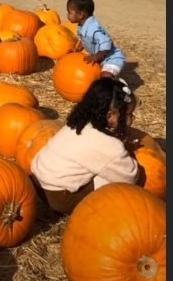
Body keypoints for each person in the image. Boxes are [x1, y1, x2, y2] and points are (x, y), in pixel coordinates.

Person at [31, 77, 140, 214]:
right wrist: (129, 153)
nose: (132, 119)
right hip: (61, 197)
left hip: (38, 183)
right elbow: (129, 176)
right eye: (129, 114)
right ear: (111, 116)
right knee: (113, 184)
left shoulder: (78, 124)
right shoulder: (106, 144)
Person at [66, 0, 126, 78]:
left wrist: (96, 57)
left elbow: (107, 44)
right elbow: (85, 38)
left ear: (80, 15)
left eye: (70, 12)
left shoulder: (94, 29)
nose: (67, 15)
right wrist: (78, 49)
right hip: (102, 59)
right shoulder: (82, 25)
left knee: (105, 77)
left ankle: (121, 88)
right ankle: (115, 83)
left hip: (112, 59)